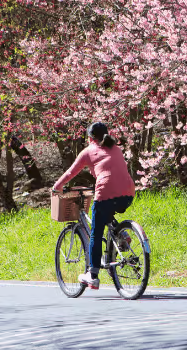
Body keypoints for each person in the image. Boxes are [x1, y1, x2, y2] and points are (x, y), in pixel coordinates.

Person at [52, 122, 135, 290]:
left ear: (90, 138)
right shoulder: (116, 148)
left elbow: (71, 172)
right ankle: (121, 234)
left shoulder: (89, 151)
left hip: (106, 192)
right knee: (107, 212)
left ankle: (93, 275)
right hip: (128, 193)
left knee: (96, 234)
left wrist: (56, 187)